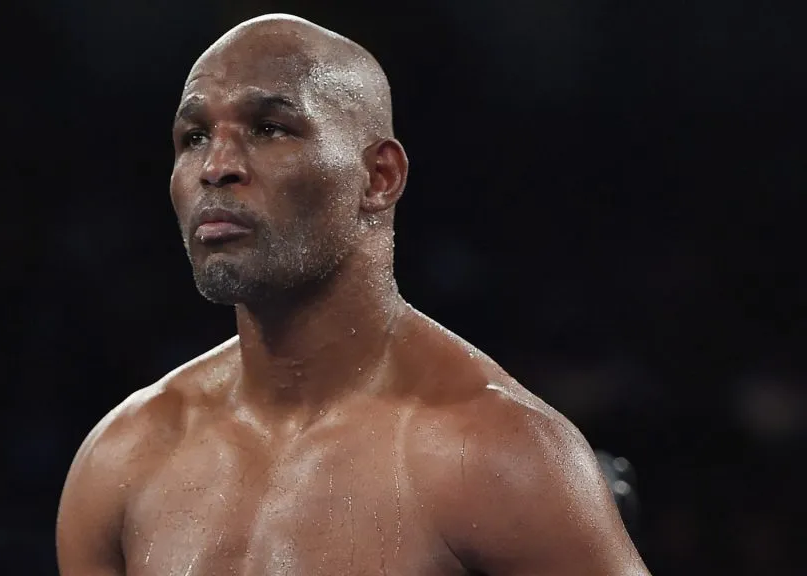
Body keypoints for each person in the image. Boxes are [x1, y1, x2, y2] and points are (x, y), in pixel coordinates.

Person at [56, 13, 650, 576]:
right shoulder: (123, 458)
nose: (217, 166)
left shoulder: (496, 456)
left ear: (378, 178)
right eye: (193, 137)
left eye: (269, 128)